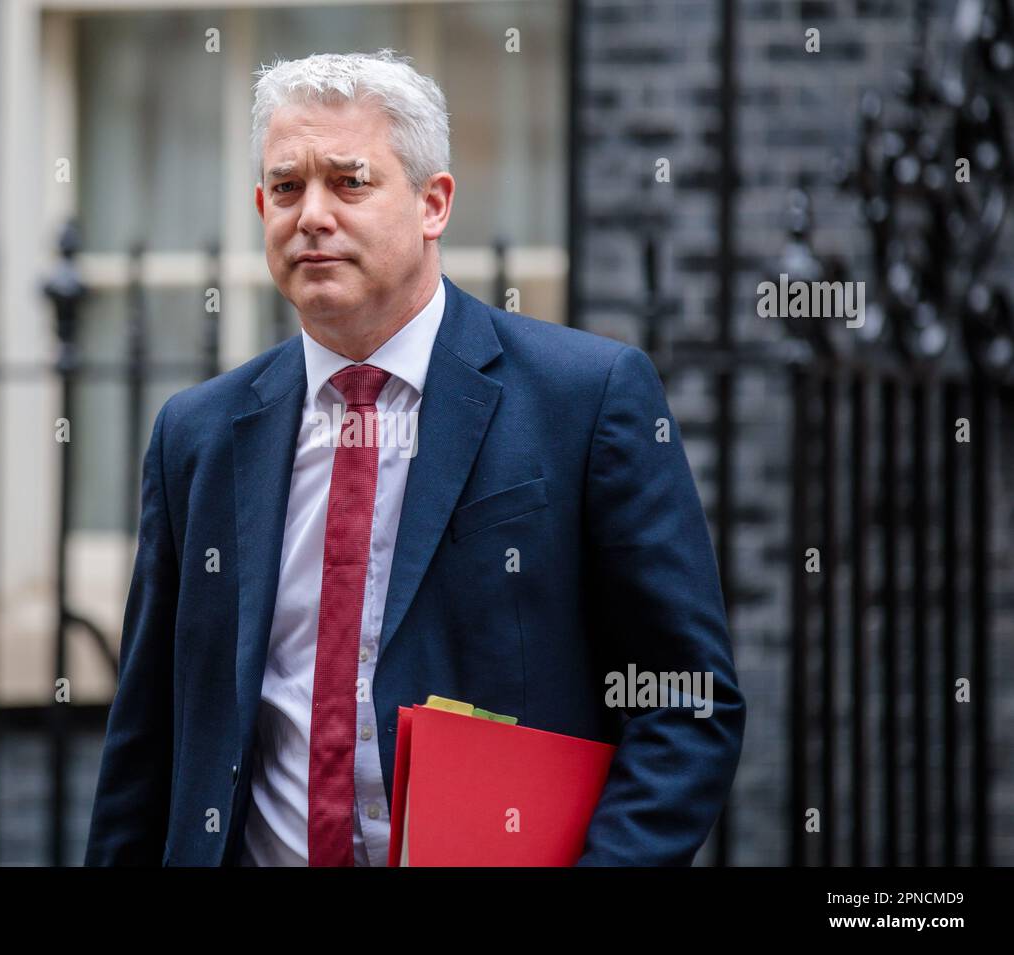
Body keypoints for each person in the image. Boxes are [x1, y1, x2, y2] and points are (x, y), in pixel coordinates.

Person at [85, 49, 744, 867]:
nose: (312, 214)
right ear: (261, 206)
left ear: (434, 204)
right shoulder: (197, 433)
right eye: (287, 187)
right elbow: (147, 732)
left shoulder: (587, 397)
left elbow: (685, 703)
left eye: (351, 181)